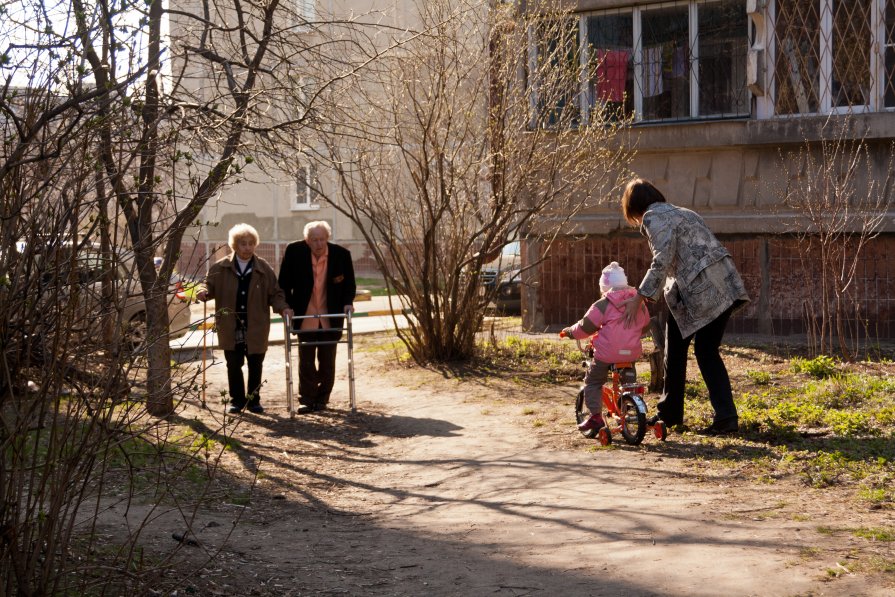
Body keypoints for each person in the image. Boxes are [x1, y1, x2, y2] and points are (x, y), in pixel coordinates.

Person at [620, 178, 750, 435]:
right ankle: (722, 416)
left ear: (634, 207)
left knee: (680, 351)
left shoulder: (652, 218)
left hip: (700, 293)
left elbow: (662, 258)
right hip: (725, 284)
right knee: (703, 350)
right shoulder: (684, 212)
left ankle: (674, 413)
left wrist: (640, 296)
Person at [197, 224, 292, 414]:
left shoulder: (263, 268)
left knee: (255, 363)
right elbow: (207, 284)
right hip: (230, 325)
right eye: (243, 244)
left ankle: (254, 400)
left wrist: (283, 308)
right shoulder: (221, 267)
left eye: (251, 243)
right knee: (234, 364)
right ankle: (237, 401)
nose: (247, 247)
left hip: (256, 325)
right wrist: (203, 292)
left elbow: (275, 293)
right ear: (234, 245)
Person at [560, 262, 650, 432]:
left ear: (604, 287)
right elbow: (645, 326)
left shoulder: (603, 305)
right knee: (628, 383)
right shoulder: (639, 302)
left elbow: (585, 327)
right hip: (630, 353)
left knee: (593, 382)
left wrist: (569, 332)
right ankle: (629, 408)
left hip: (607, 354)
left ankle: (595, 417)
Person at [278, 221, 356, 414]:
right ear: (307, 240)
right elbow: (284, 283)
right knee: (306, 359)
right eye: (314, 240)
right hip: (305, 315)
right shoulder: (294, 252)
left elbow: (350, 285)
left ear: (327, 238)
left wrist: (348, 303)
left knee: (327, 359)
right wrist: (286, 306)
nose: (319, 244)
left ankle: (322, 399)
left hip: (331, 315)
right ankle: (307, 399)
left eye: (322, 239)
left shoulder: (341, 255)